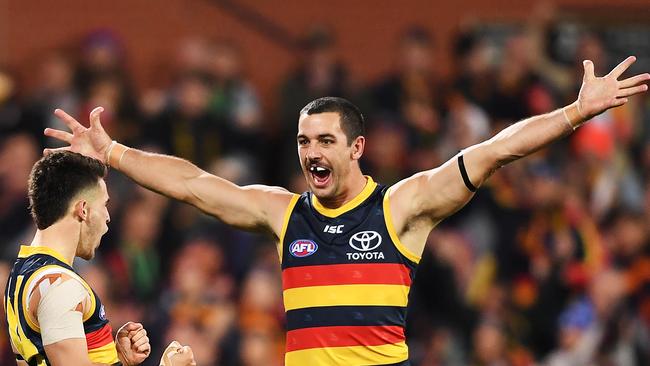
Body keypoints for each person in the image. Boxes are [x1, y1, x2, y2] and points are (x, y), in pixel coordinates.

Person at [45, 57, 648, 366]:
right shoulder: (284, 214)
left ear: (356, 147)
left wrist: (574, 113)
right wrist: (115, 153)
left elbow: (491, 153)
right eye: (305, 142)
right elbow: (195, 185)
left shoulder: (401, 208)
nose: (311, 154)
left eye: (325, 142)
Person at [3, 151, 195, 366]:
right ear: (83, 210)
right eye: (104, 205)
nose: (108, 217)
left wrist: (118, 360)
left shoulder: (24, 271)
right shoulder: (59, 287)